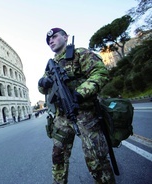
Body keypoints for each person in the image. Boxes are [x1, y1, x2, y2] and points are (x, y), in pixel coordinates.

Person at [38, 28, 115, 184]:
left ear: (66, 37)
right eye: (48, 40)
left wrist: (80, 93)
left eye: (54, 37)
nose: (51, 41)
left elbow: (100, 73)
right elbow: (42, 90)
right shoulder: (51, 66)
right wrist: (42, 83)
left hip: (85, 114)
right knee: (58, 157)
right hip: (61, 118)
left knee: (96, 158)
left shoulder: (80, 54)